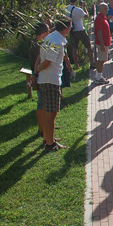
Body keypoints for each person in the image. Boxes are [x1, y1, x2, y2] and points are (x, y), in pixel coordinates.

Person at [36, 18, 72, 151]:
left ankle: (47, 136)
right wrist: (38, 69)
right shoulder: (56, 41)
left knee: (47, 111)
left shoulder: (52, 37)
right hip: (50, 80)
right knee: (51, 113)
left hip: (46, 80)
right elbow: (47, 62)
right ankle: (50, 143)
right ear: (67, 27)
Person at [30, 22, 50, 139]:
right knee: (41, 103)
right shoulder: (38, 46)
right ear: (43, 33)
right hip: (40, 76)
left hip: (38, 75)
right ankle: (42, 129)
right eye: (47, 32)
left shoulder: (34, 42)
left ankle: (45, 126)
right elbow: (40, 62)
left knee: (43, 103)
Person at [66, 0, 94, 69]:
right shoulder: (78, 10)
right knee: (88, 46)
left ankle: (76, 65)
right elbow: (86, 16)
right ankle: (92, 63)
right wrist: (84, 7)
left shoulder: (66, 8)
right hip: (80, 29)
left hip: (72, 30)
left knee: (74, 48)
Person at [93, 3, 111, 85]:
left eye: (107, 8)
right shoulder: (99, 18)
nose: (106, 10)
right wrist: (102, 44)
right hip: (102, 43)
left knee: (102, 59)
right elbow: (99, 31)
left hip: (105, 42)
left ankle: (99, 75)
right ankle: (98, 77)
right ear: (100, 9)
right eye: (104, 9)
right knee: (101, 59)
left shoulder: (103, 17)